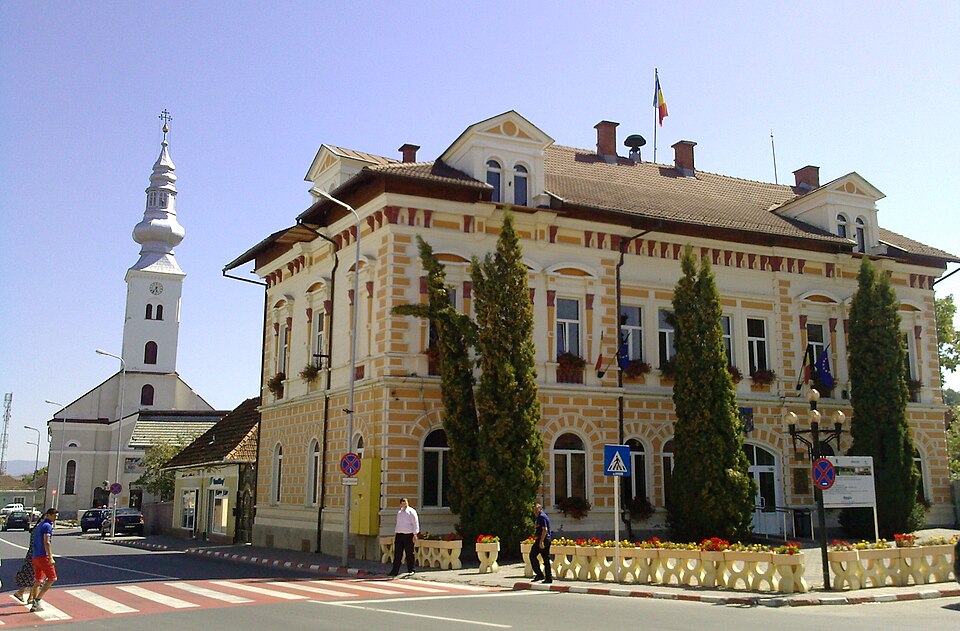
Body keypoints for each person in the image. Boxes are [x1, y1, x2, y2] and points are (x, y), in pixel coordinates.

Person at [29, 508, 58, 612]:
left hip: (35, 555)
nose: (55, 518)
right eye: (54, 516)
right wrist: (50, 556)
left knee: (38, 580)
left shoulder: (40, 525)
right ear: (48, 515)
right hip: (43, 556)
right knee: (52, 578)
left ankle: (34, 604)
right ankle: (37, 600)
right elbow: (47, 542)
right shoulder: (47, 526)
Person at [389, 498, 419, 577]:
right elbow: (398, 524)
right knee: (397, 553)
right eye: (402, 503)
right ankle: (395, 571)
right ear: (400, 504)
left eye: (405, 502)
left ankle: (411, 570)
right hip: (399, 535)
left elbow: (415, 523)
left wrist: (415, 534)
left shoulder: (411, 511)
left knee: (409, 553)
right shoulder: (399, 512)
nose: (404, 504)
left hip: (408, 535)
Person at [12, 524, 36, 604]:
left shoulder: (36, 529)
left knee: (31, 575)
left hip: (31, 554)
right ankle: (29, 597)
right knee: (36, 576)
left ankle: (24, 594)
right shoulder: (40, 529)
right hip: (36, 555)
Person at [531, 503, 552, 583]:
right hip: (546, 538)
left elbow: (545, 530)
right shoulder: (542, 516)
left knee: (532, 555)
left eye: (536, 511)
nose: (535, 512)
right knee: (546, 558)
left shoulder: (541, 517)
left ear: (540, 509)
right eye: (534, 511)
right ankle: (548, 577)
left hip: (543, 539)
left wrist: (541, 542)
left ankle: (540, 574)